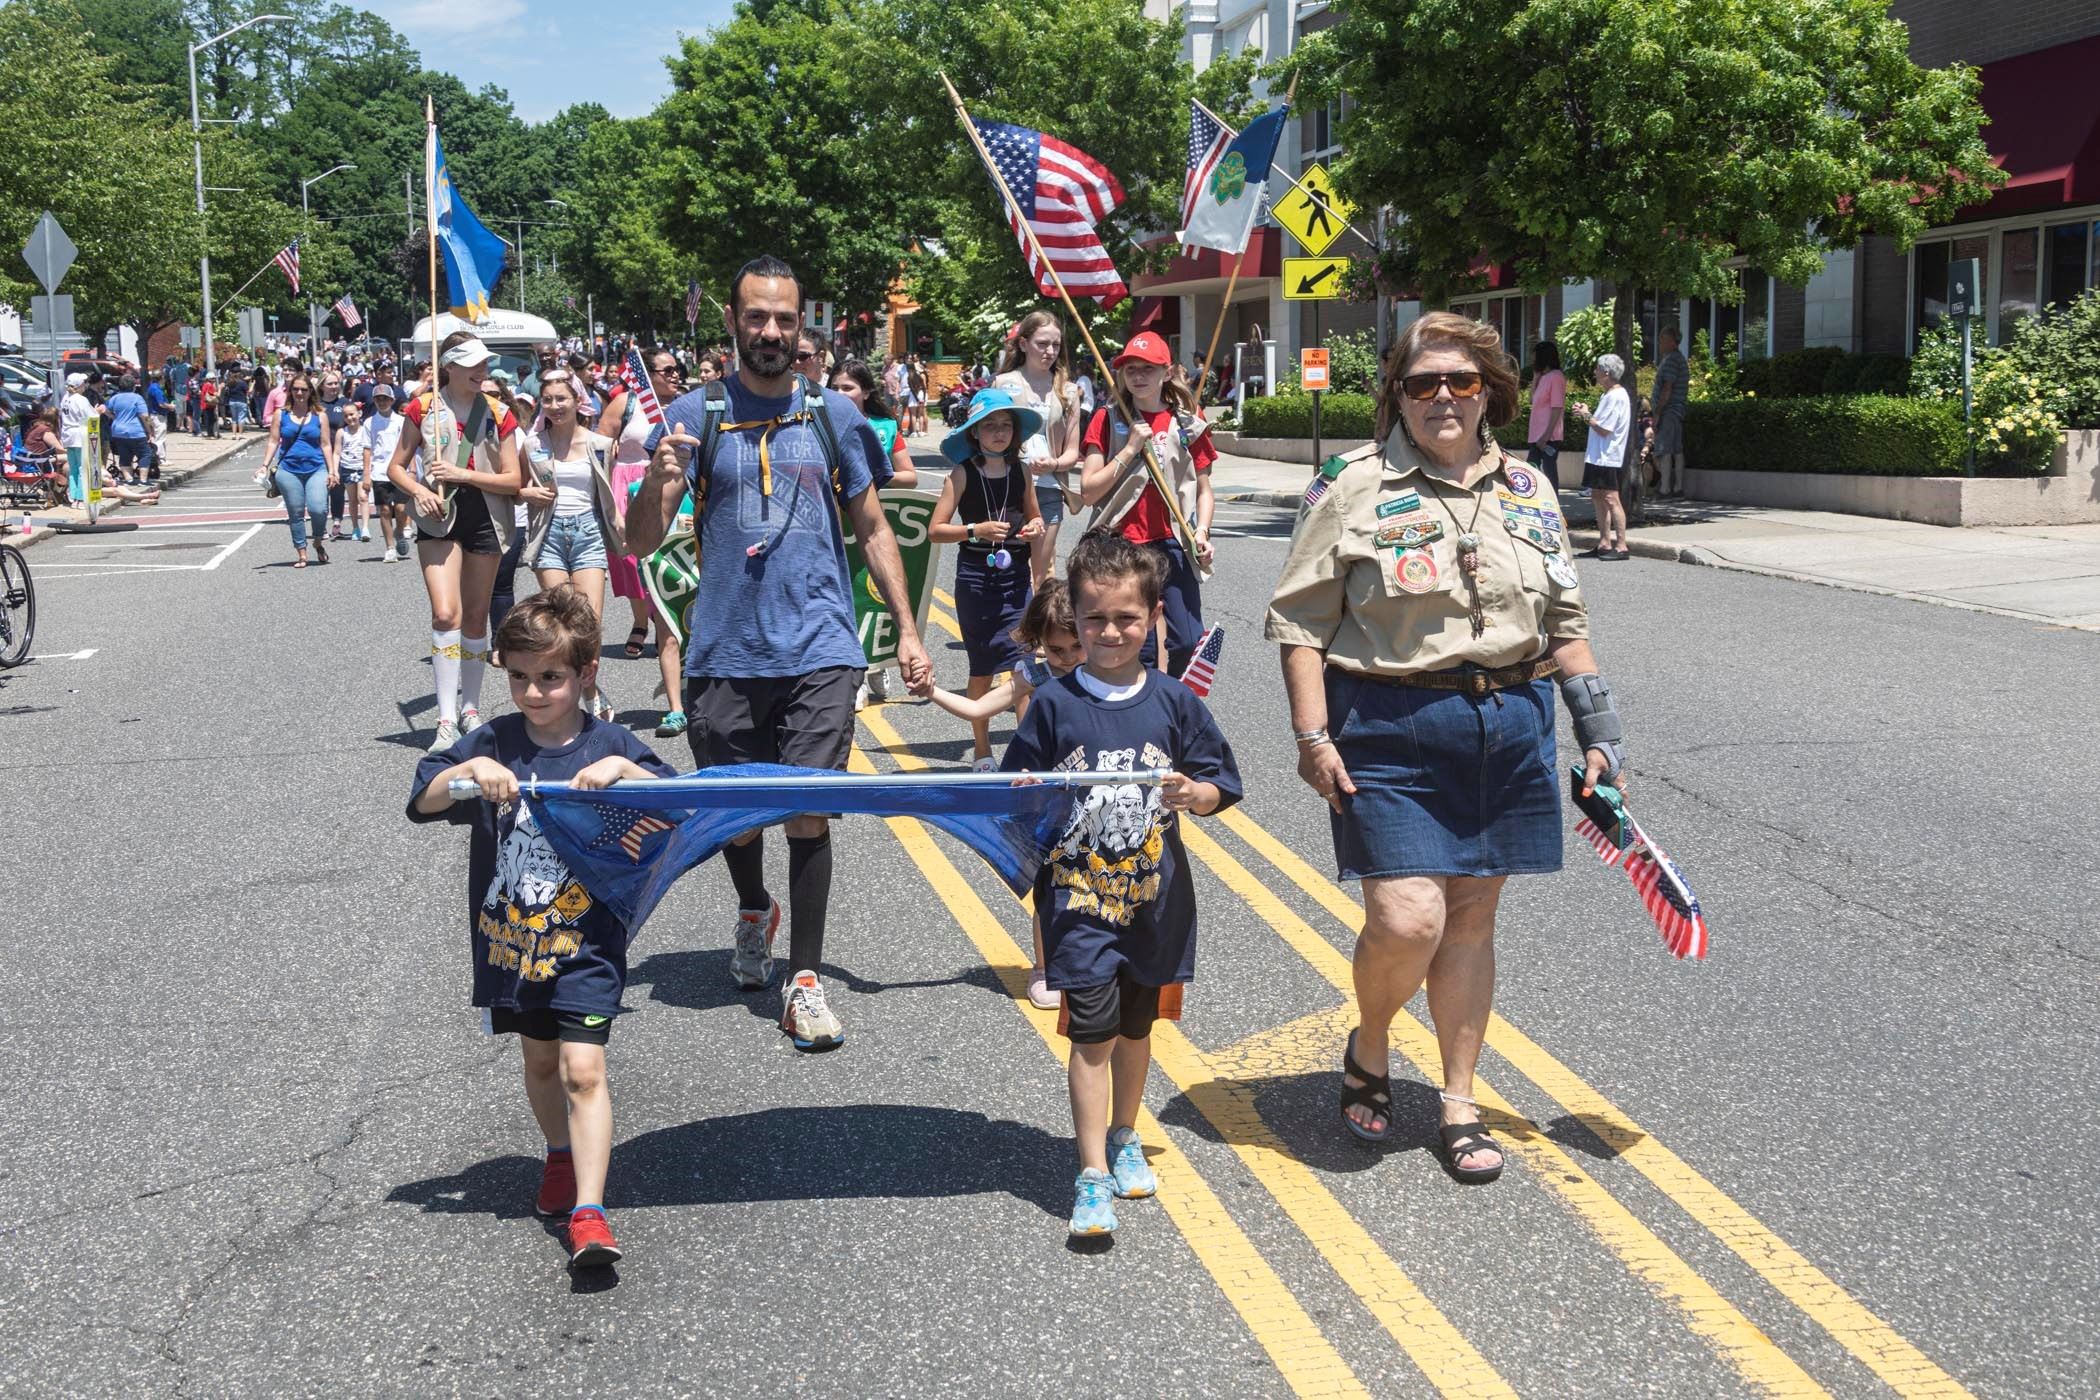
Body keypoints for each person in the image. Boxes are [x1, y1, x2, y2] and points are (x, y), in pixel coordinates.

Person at [1264, 310, 1625, 1181]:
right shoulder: (1349, 485)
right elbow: (1300, 623)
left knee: (1470, 919)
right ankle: (1374, 1042)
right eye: (1421, 384)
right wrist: (1312, 736)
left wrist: (1598, 729)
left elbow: (1565, 624)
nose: (1441, 399)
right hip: (1386, 724)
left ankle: (1459, 1097)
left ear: (1489, 392)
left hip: (1505, 725)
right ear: (1399, 396)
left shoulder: (1530, 492)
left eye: (1459, 382)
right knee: (1406, 918)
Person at [625, 254, 931, 1051]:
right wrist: (658, 483)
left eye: (784, 319)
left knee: (805, 809)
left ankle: (804, 980)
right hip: (724, 650)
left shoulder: (833, 417)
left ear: (803, 327)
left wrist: (907, 626)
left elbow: (870, 526)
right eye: (756, 317)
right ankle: (753, 905)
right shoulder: (694, 415)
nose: (770, 332)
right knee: (737, 817)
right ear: (732, 322)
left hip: (821, 646)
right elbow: (642, 541)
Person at [408, 586, 678, 1271]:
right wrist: (470, 769)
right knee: (538, 1062)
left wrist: (626, 772)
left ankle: (590, 1212)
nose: (533, 693)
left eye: (551, 678)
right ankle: (558, 1154)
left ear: (586, 674)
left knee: (583, 1070)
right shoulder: (493, 740)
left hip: (587, 943)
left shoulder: (611, 742)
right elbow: (422, 799)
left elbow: (676, 804)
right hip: (512, 945)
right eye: (519, 677)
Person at [1002, 533, 1241, 1236]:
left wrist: (1196, 794)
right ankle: (1091, 1175)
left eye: (1127, 619)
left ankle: (1125, 1134)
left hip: (1154, 903)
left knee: (1137, 1031)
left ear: (1152, 619)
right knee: (1093, 1038)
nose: (1110, 632)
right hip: (1078, 905)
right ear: (1072, 617)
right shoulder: (1052, 705)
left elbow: (1221, 780)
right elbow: (1018, 792)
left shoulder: (1174, 702)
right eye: (1094, 619)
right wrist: (1024, 791)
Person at [911, 579, 1083, 1010]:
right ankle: (1044, 968)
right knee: (1048, 881)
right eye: (1055, 649)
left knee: (1095, 875)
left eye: (1075, 647)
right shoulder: (1037, 673)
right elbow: (978, 708)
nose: (1066, 659)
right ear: (1041, 642)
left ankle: (1094, 959)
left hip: (1091, 793)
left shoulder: (1106, 673)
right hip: (1042, 794)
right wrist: (932, 692)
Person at [386, 332, 526, 750]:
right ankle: (445, 718)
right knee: (446, 613)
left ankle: (471, 708)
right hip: (437, 516)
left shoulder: (500, 412)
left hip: (484, 515)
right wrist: (419, 490)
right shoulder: (422, 408)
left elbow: (512, 479)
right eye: (474, 364)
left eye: (485, 364)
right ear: (449, 366)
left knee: (476, 616)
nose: (483, 371)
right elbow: (395, 467)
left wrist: (463, 475)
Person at [1077, 331, 1217, 676]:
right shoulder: (1108, 418)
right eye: (1130, 369)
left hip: (1172, 542)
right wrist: (1128, 449)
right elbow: (1088, 491)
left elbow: (1204, 487)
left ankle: (1175, 702)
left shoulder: (1188, 420)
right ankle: (1142, 711)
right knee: (1141, 647)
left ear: (1167, 372)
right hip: (1121, 545)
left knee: (1187, 641)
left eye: (1148, 369)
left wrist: (1201, 531)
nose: (1138, 377)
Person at [928, 387, 1044, 768]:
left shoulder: (1022, 471)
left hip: (1015, 580)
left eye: (1006, 425)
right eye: (989, 425)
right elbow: (936, 530)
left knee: (1022, 663)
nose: (998, 432)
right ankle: (981, 747)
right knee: (982, 667)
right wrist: (975, 529)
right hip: (977, 579)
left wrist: (1034, 528)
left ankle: (1026, 751)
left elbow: (1034, 516)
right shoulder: (961, 474)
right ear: (974, 432)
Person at [521, 368, 623, 722]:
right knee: (561, 619)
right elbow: (515, 485)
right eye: (547, 400)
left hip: (588, 532)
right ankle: (572, 696)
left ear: (578, 401)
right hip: (548, 533)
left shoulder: (600, 444)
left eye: (561, 398)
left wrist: (621, 522)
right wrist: (526, 492)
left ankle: (589, 688)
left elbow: (611, 492)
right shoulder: (532, 445)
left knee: (589, 622)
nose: (554, 405)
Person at [600, 346, 689, 735]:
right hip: (632, 485)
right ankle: (643, 622)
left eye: (677, 369)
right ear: (645, 373)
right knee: (634, 566)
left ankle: (668, 630)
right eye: (666, 369)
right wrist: (607, 501)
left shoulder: (689, 407)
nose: (673, 375)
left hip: (682, 497)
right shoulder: (627, 401)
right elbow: (600, 448)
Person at [828, 357, 919, 712]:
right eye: (833, 388)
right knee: (847, 598)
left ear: (865, 392)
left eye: (847, 388)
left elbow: (909, 476)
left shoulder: (883, 427)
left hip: (872, 526)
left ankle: (878, 663)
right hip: (837, 528)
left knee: (875, 597)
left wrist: (864, 475)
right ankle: (859, 673)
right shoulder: (818, 424)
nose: (839, 393)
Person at [993, 311, 1083, 591]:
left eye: (1056, 345)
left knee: (1041, 570)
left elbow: (1072, 452)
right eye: (1042, 343)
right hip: (1009, 484)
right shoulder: (1003, 384)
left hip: (1048, 488)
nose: (1050, 351)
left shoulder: (1068, 391)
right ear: (1023, 344)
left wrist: (1053, 464)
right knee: (1010, 563)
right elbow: (987, 435)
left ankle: (1039, 631)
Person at [262, 373, 338, 568]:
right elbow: (273, 441)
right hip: (288, 470)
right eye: (295, 389)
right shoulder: (281, 414)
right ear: (290, 391)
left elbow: (326, 444)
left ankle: (318, 541)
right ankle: (302, 553)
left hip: (316, 468)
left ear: (310, 391)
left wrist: (332, 471)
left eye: (303, 389)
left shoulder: (320, 415)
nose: (299, 393)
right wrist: (264, 465)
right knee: (295, 513)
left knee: (318, 509)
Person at [1570, 354, 1632, 561]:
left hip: (1608, 456)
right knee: (1597, 495)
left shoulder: (1616, 396)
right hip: (1598, 456)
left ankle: (1621, 545)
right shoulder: (1609, 395)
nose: (1595, 372)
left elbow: (1605, 429)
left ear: (1606, 372)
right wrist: (1587, 414)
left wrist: (1585, 414)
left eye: (1597, 368)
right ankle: (1604, 542)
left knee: (1611, 498)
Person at [364, 382, 412, 562]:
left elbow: (409, 446)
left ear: (392, 400)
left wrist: (412, 469)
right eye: (378, 399)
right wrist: (366, 475)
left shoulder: (401, 421)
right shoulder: (370, 422)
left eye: (385, 398)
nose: (382, 402)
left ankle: (399, 532)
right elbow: (367, 449)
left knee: (401, 508)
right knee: (384, 510)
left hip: (400, 470)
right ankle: (390, 547)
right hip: (379, 472)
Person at [1651, 326, 1689, 498]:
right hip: (1677, 409)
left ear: (1672, 342)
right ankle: (1678, 487)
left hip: (1669, 410)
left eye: (1663, 339)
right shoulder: (1678, 358)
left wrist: (1657, 413)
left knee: (1664, 449)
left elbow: (1667, 388)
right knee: (1677, 450)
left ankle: (1665, 488)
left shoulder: (1671, 360)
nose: (1660, 343)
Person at [1525, 342, 1566, 475]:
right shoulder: (1544, 378)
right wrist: (1536, 378)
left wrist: (1545, 436)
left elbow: (1557, 408)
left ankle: (1553, 496)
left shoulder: (1556, 377)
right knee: (1532, 473)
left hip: (1548, 437)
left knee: (1549, 474)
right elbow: (1532, 400)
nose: (1533, 360)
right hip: (1535, 435)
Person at [104, 375, 152, 487]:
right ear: (133, 386)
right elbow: (144, 416)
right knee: (145, 454)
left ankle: (129, 479)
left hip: (118, 431)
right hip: (136, 431)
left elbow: (106, 410)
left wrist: (114, 418)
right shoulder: (137, 398)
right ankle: (143, 480)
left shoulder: (115, 398)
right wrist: (149, 431)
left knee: (124, 455)